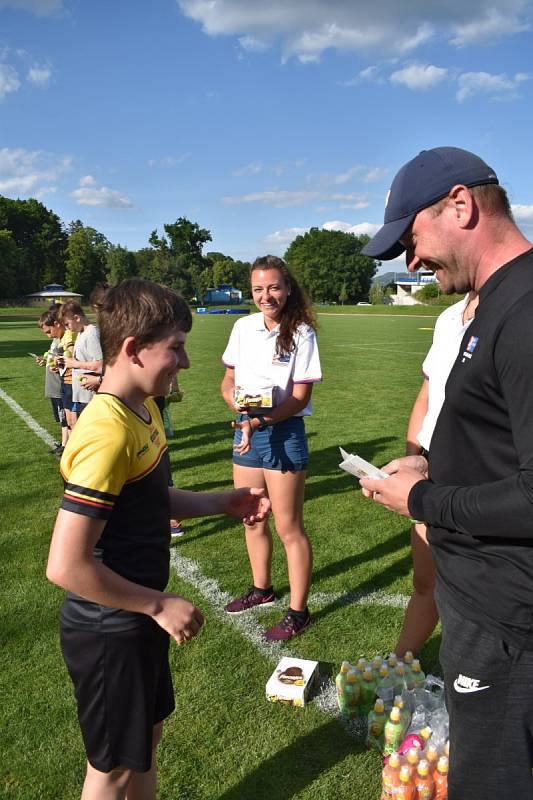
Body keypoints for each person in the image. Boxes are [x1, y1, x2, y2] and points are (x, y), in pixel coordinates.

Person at [46, 278, 270, 800]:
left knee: (146, 740)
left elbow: (149, 498)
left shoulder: (141, 411)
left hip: (133, 619)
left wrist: (221, 501)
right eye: (176, 348)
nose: (186, 363)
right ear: (132, 350)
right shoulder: (107, 430)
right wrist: (157, 604)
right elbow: (66, 565)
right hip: (109, 626)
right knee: (112, 771)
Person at [360, 147, 533, 798]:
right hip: (482, 606)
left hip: (507, 623)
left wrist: (424, 499)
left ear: (459, 205)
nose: (410, 262)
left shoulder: (523, 310)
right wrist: (426, 462)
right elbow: (498, 446)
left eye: (410, 240)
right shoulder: (488, 306)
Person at [220, 255, 322, 641]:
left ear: (288, 288)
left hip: (283, 432)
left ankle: (299, 611)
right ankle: (261, 589)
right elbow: (227, 380)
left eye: (274, 287)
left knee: (288, 526)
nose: (266, 296)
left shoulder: (302, 332)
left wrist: (259, 421)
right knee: (251, 517)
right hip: (246, 430)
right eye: (259, 289)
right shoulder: (243, 326)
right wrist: (234, 402)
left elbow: (299, 398)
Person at [395, 290, 478, 657]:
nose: (414, 260)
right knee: (425, 581)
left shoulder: (513, 309)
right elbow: (427, 394)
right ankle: (398, 664)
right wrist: (413, 458)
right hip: (432, 469)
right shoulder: (448, 318)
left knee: (479, 593)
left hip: (480, 474)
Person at [58, 301, 103, 416]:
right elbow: (82, 360)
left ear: (77, 318)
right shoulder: (81, 333)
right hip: (82, 396)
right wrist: (65, 362)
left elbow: (101, 365)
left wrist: (74, 364)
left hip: (90, 397)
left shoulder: (91, 333)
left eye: (67, 324)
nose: (67, 329)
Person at [36, 308, 69, 455]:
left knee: (65, 418)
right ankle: (64, 443)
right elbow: (54, 358)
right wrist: (45, 360)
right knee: (62, 418)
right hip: (55, 386)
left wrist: (58, 366)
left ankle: (66, 444)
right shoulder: (56, 340)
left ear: (56, 324)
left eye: (49, 331)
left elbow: (66, 361)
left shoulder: (65, 339)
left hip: (60, 385)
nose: (48, 336)